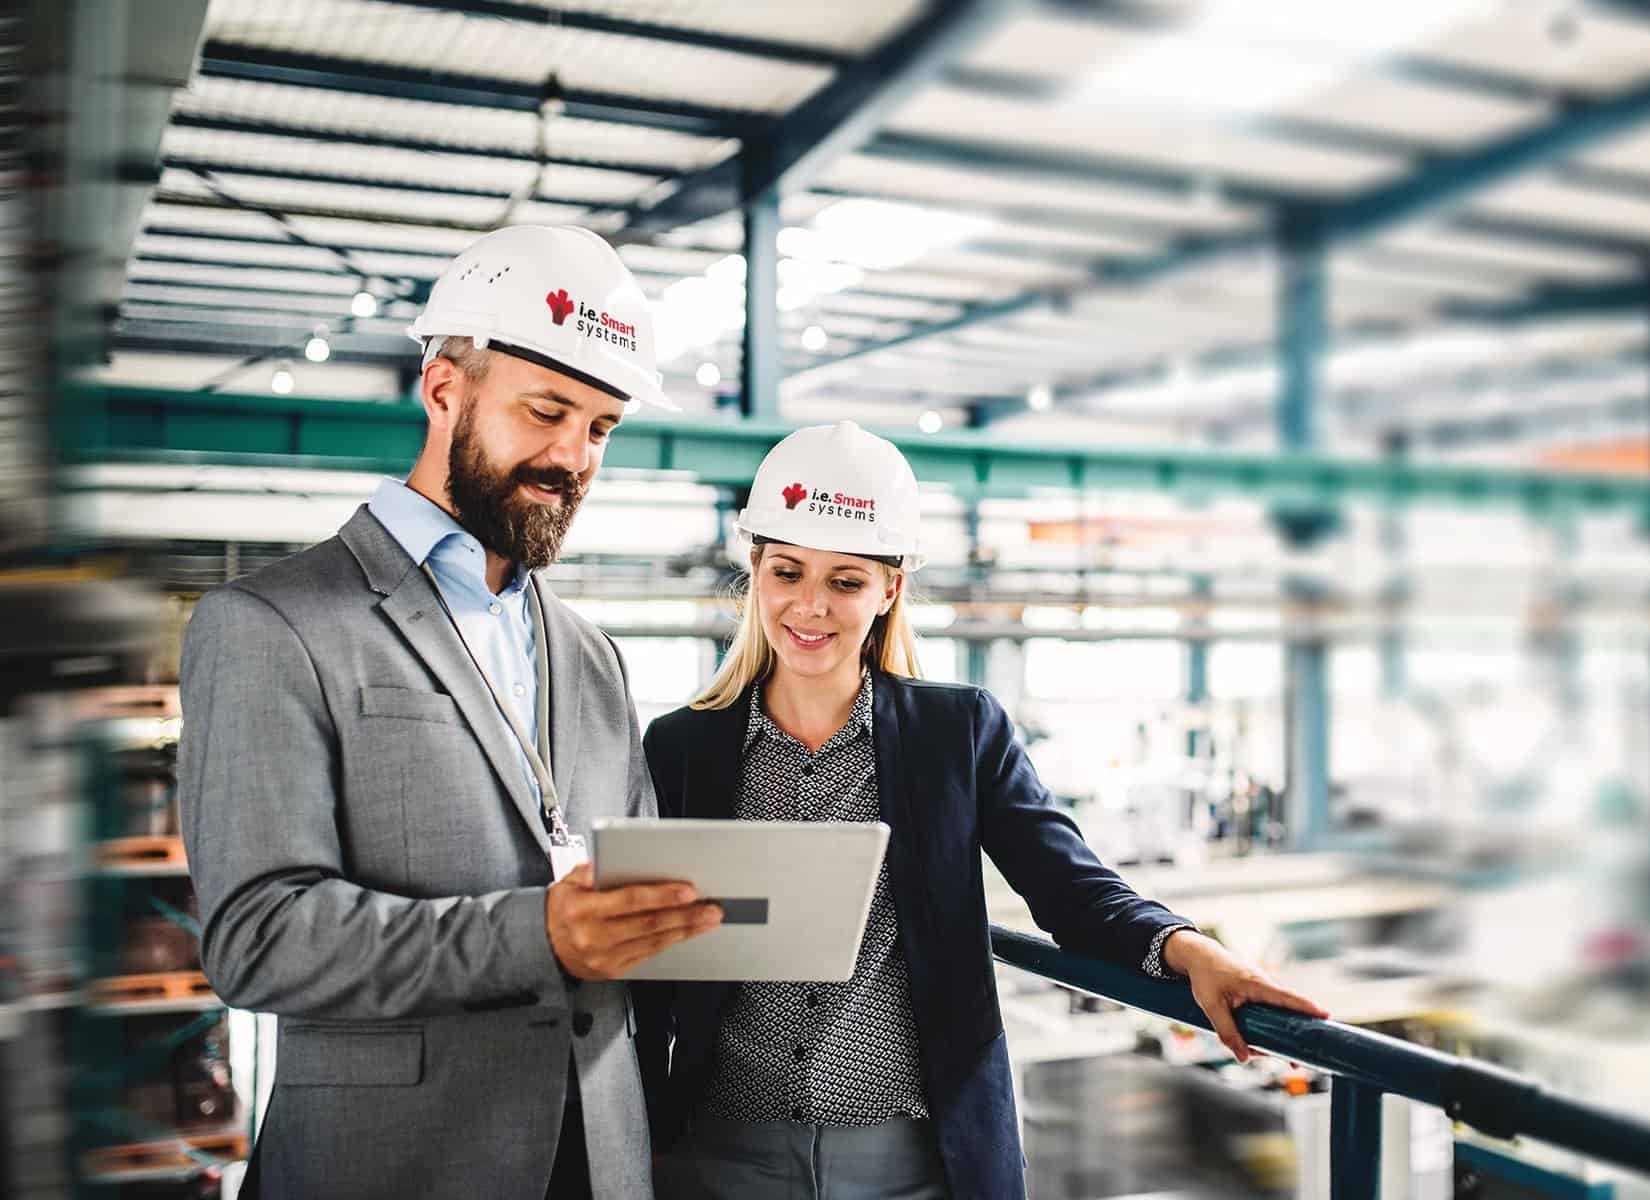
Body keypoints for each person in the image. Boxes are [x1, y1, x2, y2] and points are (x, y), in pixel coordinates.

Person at [639, 422, 1329, 1199]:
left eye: (845, 582)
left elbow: (1068, 885)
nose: (810, 607)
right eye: (787, 572)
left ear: (889, 589)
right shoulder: (681, 747)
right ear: (755, 570)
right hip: (721, 1148)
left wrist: (1188, 950)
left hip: (908, 1156)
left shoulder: (956, 733)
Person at [178, 225, 722, 1200]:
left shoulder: (590, 655)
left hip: (601, 1160)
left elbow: (617, 881)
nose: (572, 456)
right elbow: (257, 936)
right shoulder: (271, 624)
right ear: (443, 390)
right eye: (547, 411)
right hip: (398, 1164)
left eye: (600, 427)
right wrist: (536, 935)